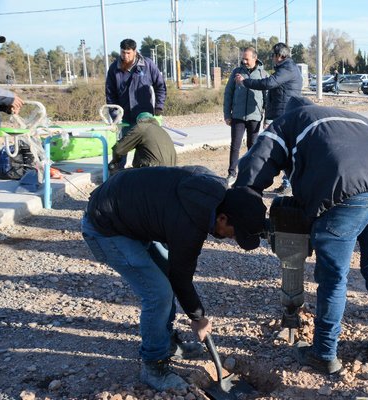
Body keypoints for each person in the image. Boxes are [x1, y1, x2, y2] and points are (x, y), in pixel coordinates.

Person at [234, 96, 368, 375]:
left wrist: (243, 214)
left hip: (343, 193)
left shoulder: (288, 122)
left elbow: (256, 165)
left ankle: (324, 352)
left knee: (334, 277)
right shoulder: (353, 117)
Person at [81, 166, 267, 390]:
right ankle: (154, 365)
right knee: (158, 293)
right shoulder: (189, 225)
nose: (232, 239)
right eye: (235, 233)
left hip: (128, 216)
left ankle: (166, 342)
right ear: (223, 217)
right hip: (106, 227)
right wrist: (198, 319)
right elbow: (180, 277)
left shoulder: (211, 189)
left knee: (163, 278)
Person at [235, 42, 302, 195]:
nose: (272, 58)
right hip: (284, 112)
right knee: (287, 149)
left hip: (286, 113)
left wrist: (244, 82)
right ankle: (287, 183)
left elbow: (269, 83)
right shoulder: (287, 68)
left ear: (279, 56)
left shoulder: (287, 69)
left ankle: (288, 183)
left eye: (273, 55)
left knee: (287, 150)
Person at [106, 38, 166, 169]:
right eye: (123, 52)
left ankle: (143, 169)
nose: (125, 56)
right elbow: (110, 94)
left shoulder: (147, 65)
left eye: (128, 53)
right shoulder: (114, 69)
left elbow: (160, 86)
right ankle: (116, 171)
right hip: (124, 116)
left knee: (145, 144)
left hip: (144, 116)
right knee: (122, 145)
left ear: (134, 52)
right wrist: (115, 113)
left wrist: (159, 106)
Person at [223, 47, 267, 187]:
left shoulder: (263, 74)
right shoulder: (236, 72)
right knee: (235, 145)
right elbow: (228, 93)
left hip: (255, 116)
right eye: (243, 58)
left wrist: (266, 117)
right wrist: (227, 114)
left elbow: (267, 97)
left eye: (247, 59)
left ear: (255, 58)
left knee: (252, 147)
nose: (244, 61)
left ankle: (249, 175)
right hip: (237, 115)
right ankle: (232, 174)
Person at [108, 112, 176, 173]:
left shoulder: (141, 127)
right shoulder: (162, 131)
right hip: (171, 172)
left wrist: (115, 161)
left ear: (139, 121)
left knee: (117, 173)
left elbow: (118, 149)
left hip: (153, 172)